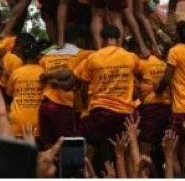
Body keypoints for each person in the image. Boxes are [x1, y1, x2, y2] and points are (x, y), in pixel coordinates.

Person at [53, 25, 141, 157]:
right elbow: (139, 77)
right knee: (125, 153)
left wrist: (54, 82)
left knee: (86, 149)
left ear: (102, 39)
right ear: (119, 38)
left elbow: (69, 85)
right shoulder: (131, 57)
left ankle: (85, 174)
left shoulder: (92, 58)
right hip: (124, 113)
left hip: (100, 112)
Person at [156, 21, 185, 140]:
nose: (173, 33)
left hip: (182, 107)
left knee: (172, 144)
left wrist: (158, 90)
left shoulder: (174, 51)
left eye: (175, 31)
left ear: (180, 34)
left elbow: (167, 78)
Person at [136, 42, 171, 157]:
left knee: (144, 149)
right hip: (167, 108)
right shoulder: (163, 64)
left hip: (152, 108)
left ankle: (143, 173)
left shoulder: (141, 63)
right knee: (168, 151)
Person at [6, 42, 45, 140]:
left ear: (22, 56)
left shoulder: (16, 73)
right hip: (39, 123)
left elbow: (9, 93)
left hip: (18, 123)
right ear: (38, 56)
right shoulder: (43, 72)